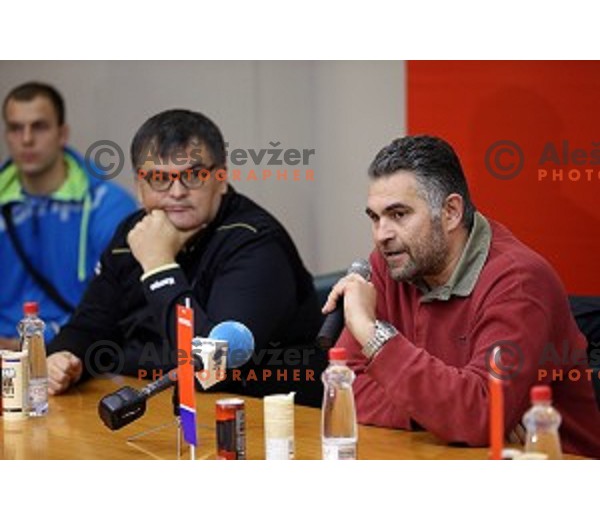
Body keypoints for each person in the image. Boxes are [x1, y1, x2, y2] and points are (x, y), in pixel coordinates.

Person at [323, 135, 600, 458]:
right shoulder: (390, 264)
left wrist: (370, 333)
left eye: (398, 215)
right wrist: (441, 412)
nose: (382, 234)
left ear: (451, 212)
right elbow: (342, 388)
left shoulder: (519, 282)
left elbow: (479, 414)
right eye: (375, 217)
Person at [46, 108, 322, 402]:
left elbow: (212, 370)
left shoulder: (256, 242)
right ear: (140, 187)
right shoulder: (133, 233)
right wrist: (63, 358)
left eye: (193, 176)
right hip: (154, 409)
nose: (176, 192)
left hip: (261, 422)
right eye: (159, 178)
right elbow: (89, 325)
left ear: (221, 178)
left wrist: (158, 266)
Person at [0, 82, 137, 350]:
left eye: (39, 126)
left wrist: (34, 346)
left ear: (62, 134)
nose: (26, 139)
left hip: (76, 351)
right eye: (16, 128)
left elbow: (121, 306)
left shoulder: (108, 204)